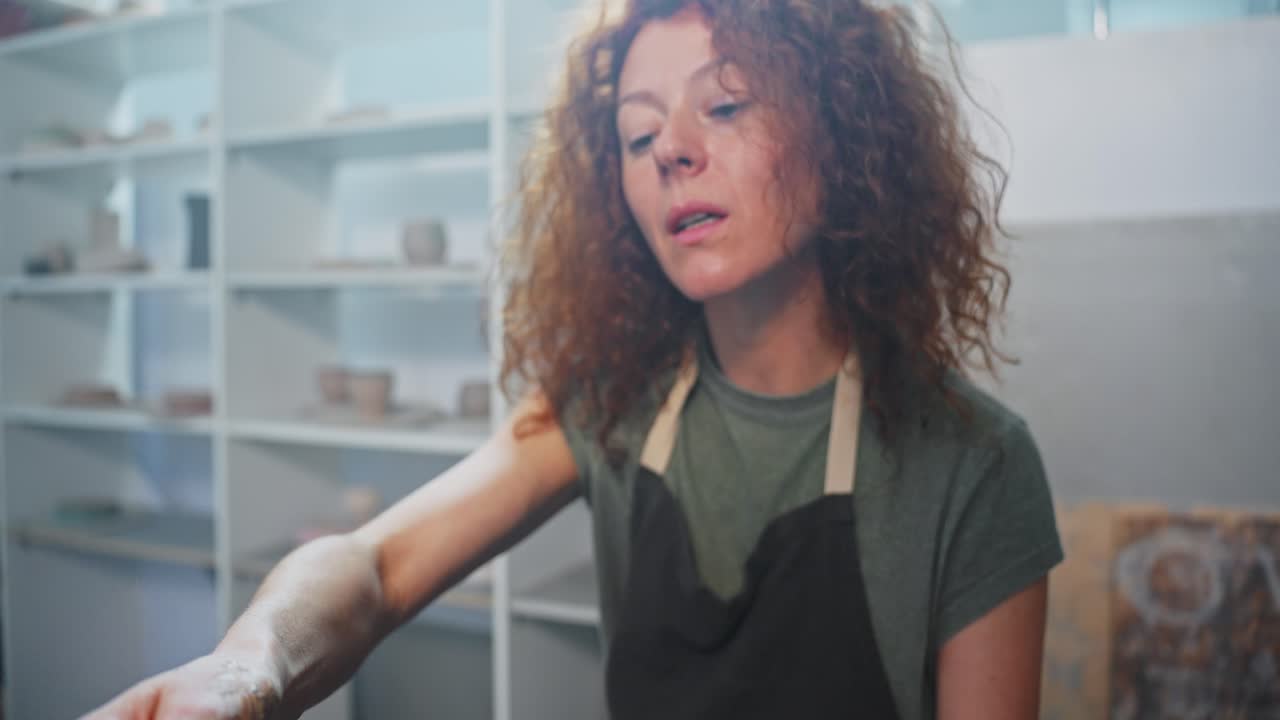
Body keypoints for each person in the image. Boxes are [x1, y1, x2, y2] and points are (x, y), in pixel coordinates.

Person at [86, 1, 1063, 718]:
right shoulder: (615, 402)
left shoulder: (972, 465)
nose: (671, 150)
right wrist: (246, 665)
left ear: (844, 136)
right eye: (638, 132)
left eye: (724, 107)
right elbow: (376, 567)